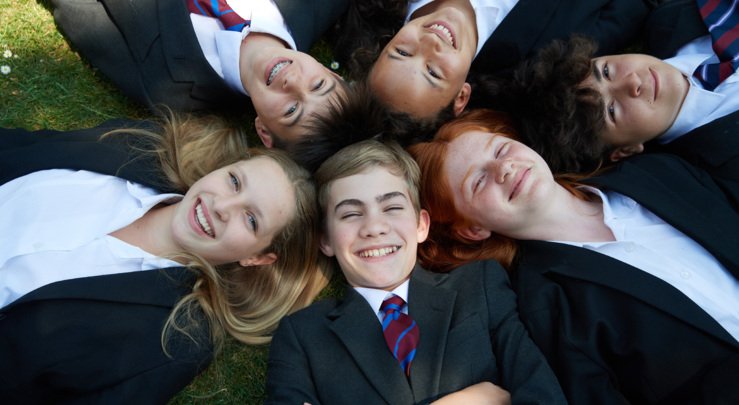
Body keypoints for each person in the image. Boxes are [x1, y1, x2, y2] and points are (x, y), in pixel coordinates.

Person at [408, 109, 739, 404]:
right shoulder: (545, 311)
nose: (504, 168)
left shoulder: (657, 173)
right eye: (478, 182)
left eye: (501, 149)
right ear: (473, 230)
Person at [0, 114, 329, 403]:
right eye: (234, 181)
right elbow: (25, 145)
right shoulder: (137, 147)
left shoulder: (173, 345)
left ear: (257, 258)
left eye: (251, 219)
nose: (221, 206)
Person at [265, 140, 566, 404]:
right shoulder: (302, 336)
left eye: (392, 208)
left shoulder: (479, 285)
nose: (374, 228)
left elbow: (540, 391)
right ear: (326, 240)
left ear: (422, 224)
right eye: (351, 214)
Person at [50, 0, 350, 148]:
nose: (292, 82)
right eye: (318, 85)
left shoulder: (164, 88)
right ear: (330, 73)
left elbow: (79, 10)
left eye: (292, 109)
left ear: (264, 132)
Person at [336, 0, 651, 125]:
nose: (429, 44)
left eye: (402, 52)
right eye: (433, 72)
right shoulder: (548, 54)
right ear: (461, 95)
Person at [487, 32, 739, 174]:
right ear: (626, 150)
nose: (632, 83)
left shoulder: (674, 17)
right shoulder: (725, 166)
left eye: (606, 71)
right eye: (611, 110)